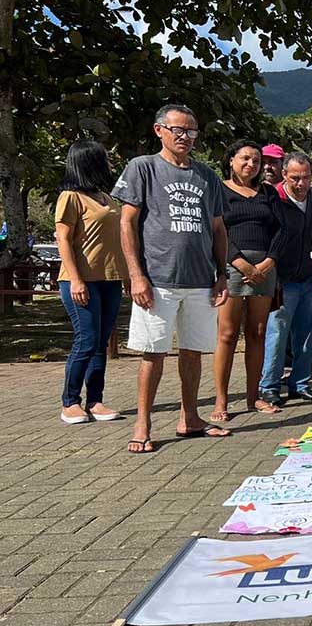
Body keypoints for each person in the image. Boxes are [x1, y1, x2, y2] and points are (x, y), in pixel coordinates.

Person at [115, 103, 233, 452]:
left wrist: (222, 273)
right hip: (158, 279)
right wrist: (137, 276)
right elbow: (126, 223)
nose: (185, 137)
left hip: (200, 280)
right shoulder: (143, 168)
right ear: (159, 131)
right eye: (178, 130)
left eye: (191, 131)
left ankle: (191, 417)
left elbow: (218, 228)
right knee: (153, 352)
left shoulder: (207, 176)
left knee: (194, 352)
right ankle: (143, 423)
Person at [211, 140, 287, 420]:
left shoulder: (267, 193)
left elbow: (282, 231)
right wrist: (239, 262)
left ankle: (253, 397)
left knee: (257, 333)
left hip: (264, 270)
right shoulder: (218, 191)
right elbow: (216, 231)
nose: (251, 165)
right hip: (232, 266)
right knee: (228, 335)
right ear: (231, 160)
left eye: (256, 160)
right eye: (245, 159)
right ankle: (221, 401)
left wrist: (268, 263)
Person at [54, 140, 127, 425]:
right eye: (104, 158)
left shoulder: (105, 197)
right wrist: (75, 279)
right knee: (85, 340)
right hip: (81, 280)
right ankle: (70, 402)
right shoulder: (70, 197)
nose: (109, 162)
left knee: (100, 343)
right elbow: (63, 239)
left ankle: (95, 400)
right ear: (89, 162)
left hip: (109, 279)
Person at [260, 152, 312, 406]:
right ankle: (269, 386)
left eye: (306, 178)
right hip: (281, 279)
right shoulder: (272, 197)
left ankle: (300, 383)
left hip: (309, 277)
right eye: (295, 178)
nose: (301, 184)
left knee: (309, 336)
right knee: (276, 335)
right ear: (284, 175)